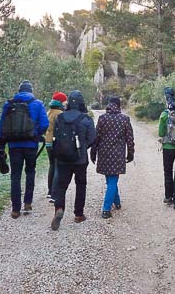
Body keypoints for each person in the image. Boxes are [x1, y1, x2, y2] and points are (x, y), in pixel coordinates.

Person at [0, 80, 49, 219]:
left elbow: (2, 125)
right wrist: (36, 135)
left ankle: (15, 209)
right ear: (31, 90)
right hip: (31, 145)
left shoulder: (9, 104)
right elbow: (44, 124)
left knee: (15, 176)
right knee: (30, 172)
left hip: (14, 146)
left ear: (19, 90)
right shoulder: (37, 104)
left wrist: (1, 143)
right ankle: (28, 203)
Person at [50, 90, 96, 230]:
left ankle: (59, 208)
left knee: (61, 186)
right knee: (81, 185)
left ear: (68, 102)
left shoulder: (60, 117)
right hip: (80, 159)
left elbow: (55, 136)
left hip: (63, 158)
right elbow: (92, 138)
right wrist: (82, 147)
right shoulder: (86, 119)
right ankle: (78, 214)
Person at [90, 96, 134, 219]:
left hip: (104, 154)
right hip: (118, 154)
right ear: (119, 105)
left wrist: (93, 153)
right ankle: (106, 209)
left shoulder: (102, 118)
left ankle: (117, 202)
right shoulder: (124, 119)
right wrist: (130, 154)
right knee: (112, 180)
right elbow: (130, 139)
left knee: (110, 180)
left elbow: (96, 138)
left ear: (109, 105)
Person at [44, 91, 68, 202]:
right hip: (56, 143)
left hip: (48, 142)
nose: (66, 103)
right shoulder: (60, 114)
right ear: (60, 102)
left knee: (52, 166)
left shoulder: (49, 112)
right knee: (58, 167)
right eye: (64, 101)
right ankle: (54, 193)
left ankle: (49, 191)